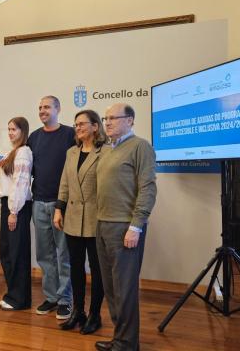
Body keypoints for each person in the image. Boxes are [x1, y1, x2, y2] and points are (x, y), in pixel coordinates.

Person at [94, 103, 157, 351]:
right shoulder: (107, 150)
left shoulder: (141, 147)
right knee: (111, 287)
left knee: (125, 287)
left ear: (130, 120)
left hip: (124, 228)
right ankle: (119, 338)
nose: (107, 122)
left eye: (113, 118)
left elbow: (148, 188)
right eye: (105, 118)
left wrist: (136, 226)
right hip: (102, 225)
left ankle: (128, 343)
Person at [54, 110, 106, 334]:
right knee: (75, 267)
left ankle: (95, 314)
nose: (78, 128)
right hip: (73, 218)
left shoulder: (106, 152)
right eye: (76, 125)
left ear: (96, 126)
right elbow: (65, 184)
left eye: (83, 124)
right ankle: (78, 311)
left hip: (96, 219)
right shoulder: (71, 152)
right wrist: (59, 209)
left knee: (97, 269)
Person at [27, 95, 75, 319]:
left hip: (62, 204)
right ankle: (52, 297)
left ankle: (66, 299)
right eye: (40, 108)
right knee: (44, 255)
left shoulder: (69, 135)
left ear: (58, 109)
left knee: (64, 254)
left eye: (47, 107)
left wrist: (63, 204)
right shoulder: (34, 138)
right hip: (39, 202)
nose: (42, 111)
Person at [0, 117, 33, 311]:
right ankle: (12, 294)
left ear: (23, 131)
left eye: (15, 129)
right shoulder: (12, 151)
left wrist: (13, 211)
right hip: (7, 205)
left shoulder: (24, 152)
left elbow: (20, 182)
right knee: (7, 253)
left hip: (16, 207)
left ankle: (20, 299)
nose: (11, 132)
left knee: (17, 253)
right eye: (9, 129)